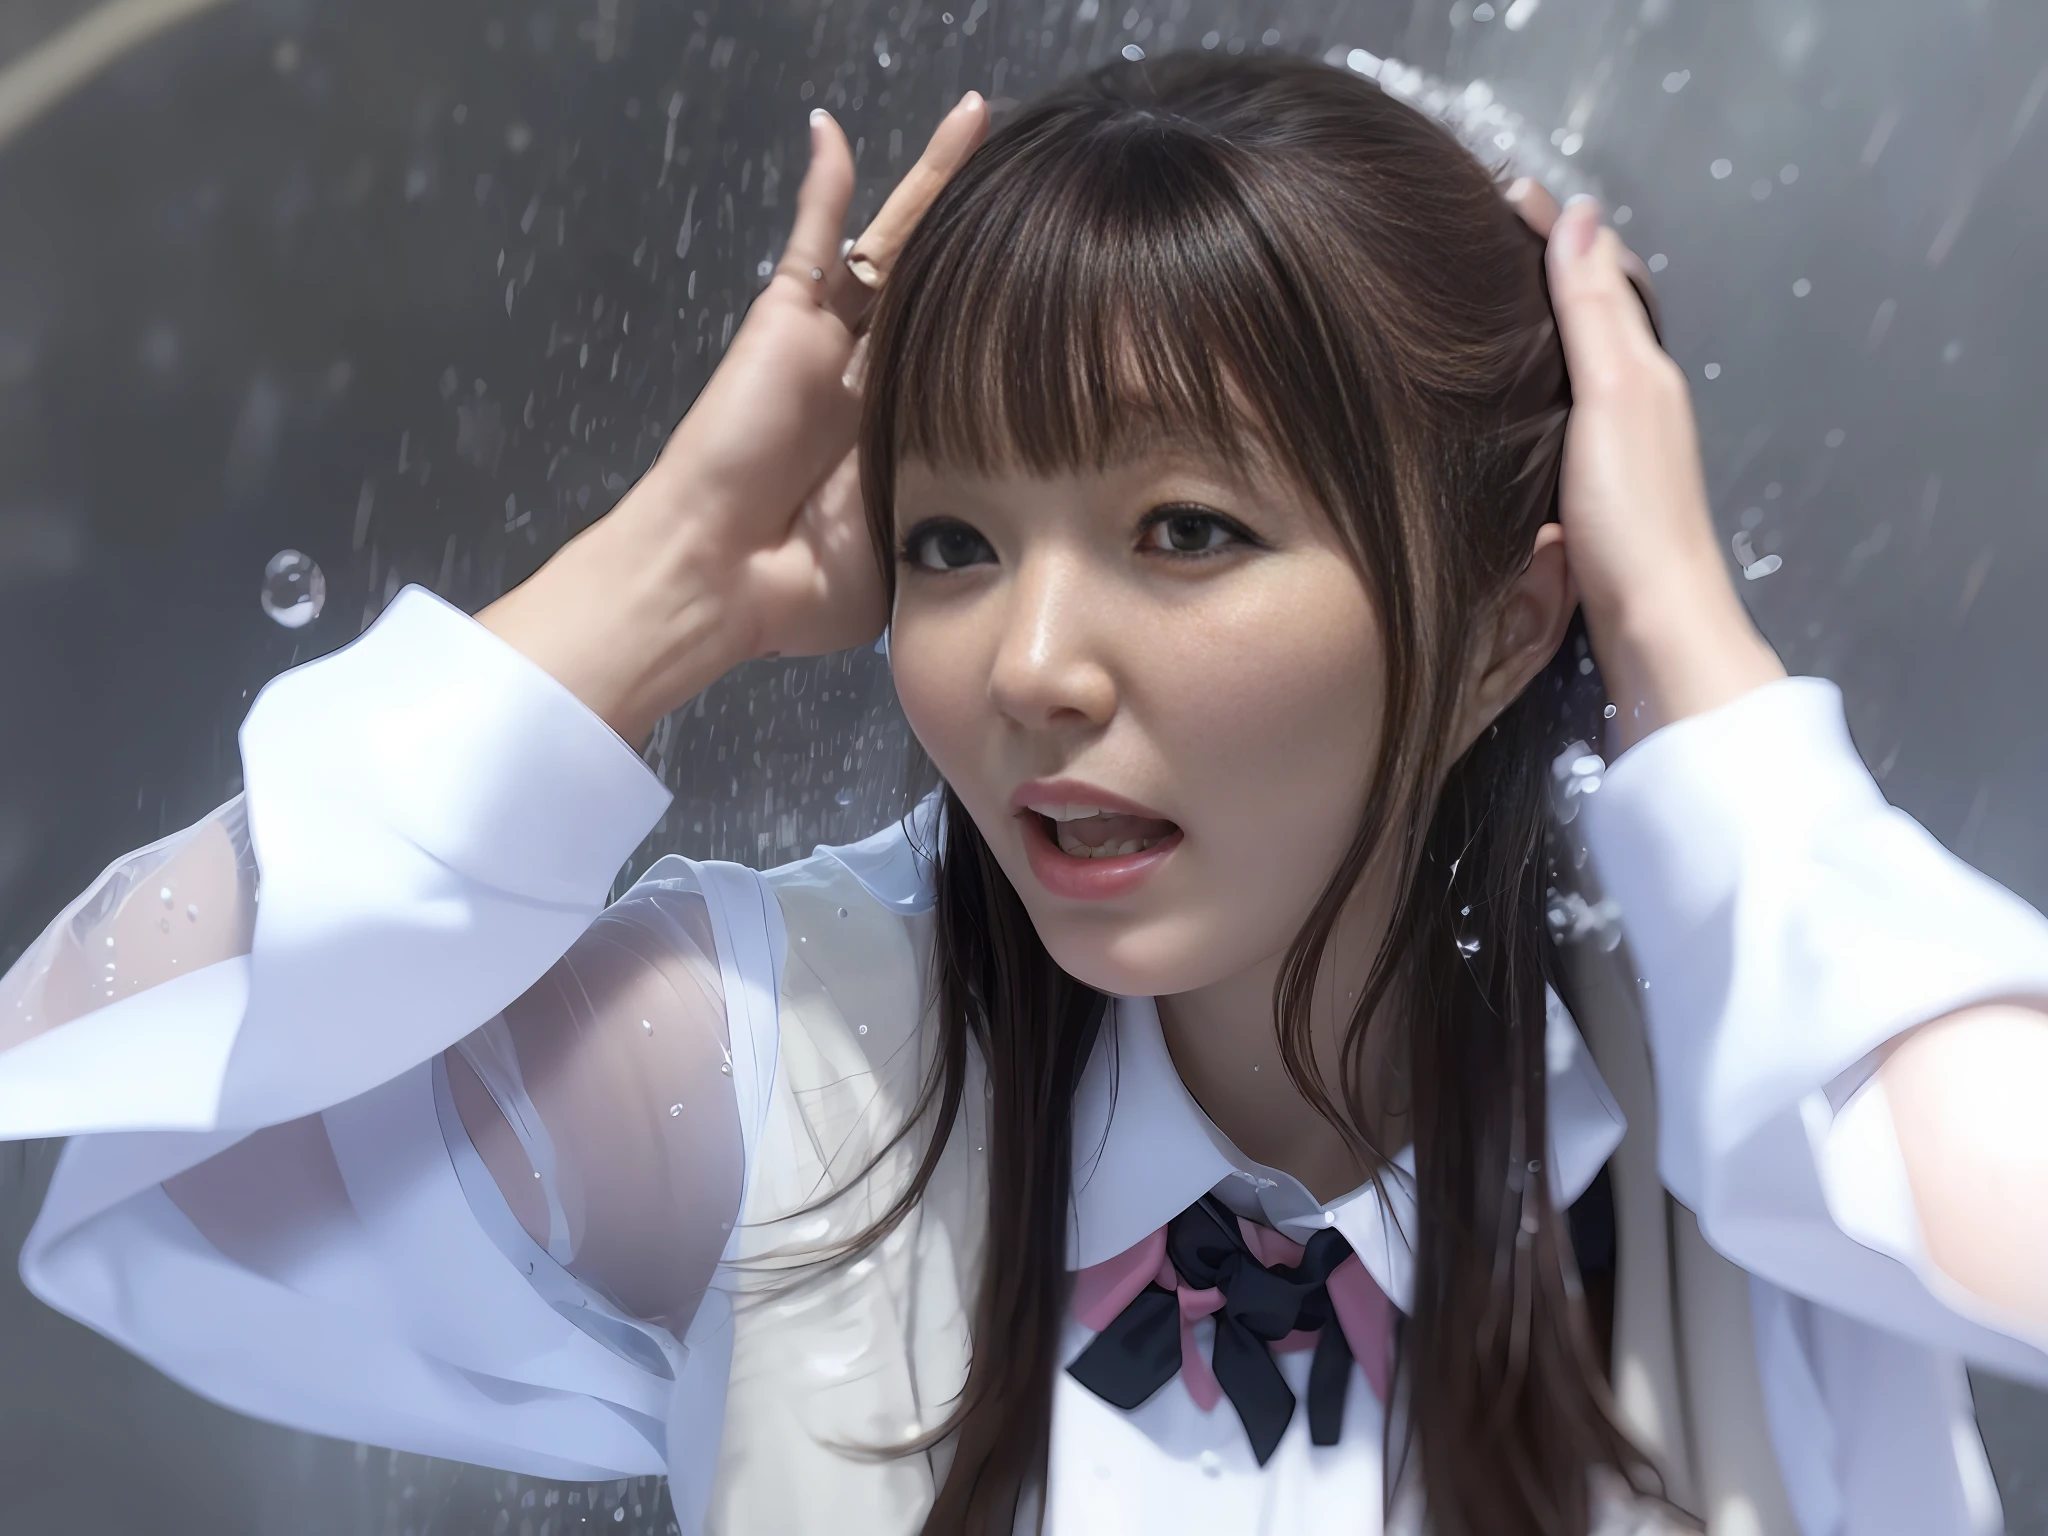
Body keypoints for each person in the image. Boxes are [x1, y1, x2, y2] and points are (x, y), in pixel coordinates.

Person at [1, 51, 2044, 1536]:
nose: (1029, 665)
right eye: (956, 542)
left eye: (1182, 528)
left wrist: (1691, 664)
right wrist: (662, 586)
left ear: (1509, 625)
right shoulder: (791, 1064)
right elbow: (107, 1092)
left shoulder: (1755, 1089)